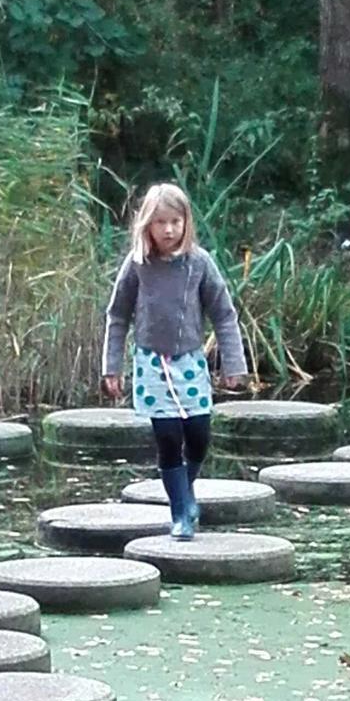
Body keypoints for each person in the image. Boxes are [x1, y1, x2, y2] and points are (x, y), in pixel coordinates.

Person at [101, 182, 246, 539]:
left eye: (175, 221)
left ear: (186, 222)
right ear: (147, 225)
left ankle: (187, 489)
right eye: (161, 222)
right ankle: (180, 512)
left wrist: (234, 364)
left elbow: (224, 314)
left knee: (198, 435)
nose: (168, 229)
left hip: (191, 361)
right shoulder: (138, 266)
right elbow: (117, 314)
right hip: (152, 363)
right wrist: (111, 366)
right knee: (167, 437)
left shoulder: (199, 263)